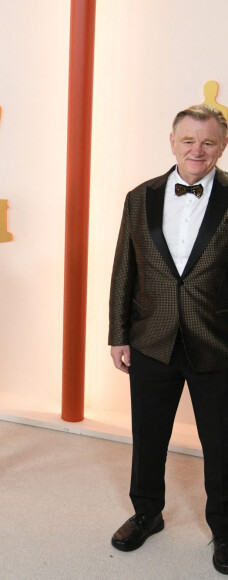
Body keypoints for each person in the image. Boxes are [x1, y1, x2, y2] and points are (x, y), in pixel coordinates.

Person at [108, 104, 228, 574]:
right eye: (188, 140)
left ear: (222, 146)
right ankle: (146, 513)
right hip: (150, 338)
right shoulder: (140, 197)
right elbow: (124, 270)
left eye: (209, 142)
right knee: (149, 434)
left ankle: (223, 527)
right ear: (172, 141)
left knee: (220, 441)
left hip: (216, 341)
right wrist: (118, 334)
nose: (197, 149)